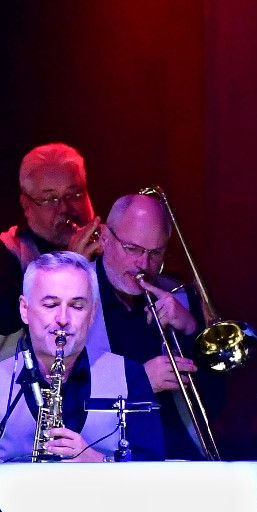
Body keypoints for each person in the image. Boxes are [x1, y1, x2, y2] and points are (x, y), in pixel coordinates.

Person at [0, 249, 161, 465]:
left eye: (76, 306)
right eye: (51, 305)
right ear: (24, 309)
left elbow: (153, 472)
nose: (63, 319)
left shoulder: (130, 377)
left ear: (92, 313)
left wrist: (98, 462)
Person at [91, 192, 214, 459]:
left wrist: (191, 330)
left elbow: (215, 402)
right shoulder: (75, 293)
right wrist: (139, 381)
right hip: (99, 457)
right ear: (105, 237)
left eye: (155, 253)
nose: (144, 264)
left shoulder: (177, 295)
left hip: (175, 455)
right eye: (132, 249)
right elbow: (60, 387)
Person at [0, 143, 103, 361]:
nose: (65, 208)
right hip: (27, 382)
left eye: (75, 194)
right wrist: (71, 265)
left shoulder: (109, 247)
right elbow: (5, 320)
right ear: (26, 205)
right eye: (50, 199)